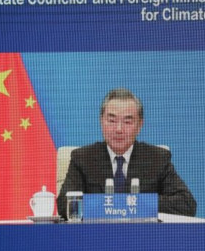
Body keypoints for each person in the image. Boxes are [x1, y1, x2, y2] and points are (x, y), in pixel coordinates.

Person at [56, 88, 197, 218]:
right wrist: (120, 205)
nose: (119, 129)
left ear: (139, 125)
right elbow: (65, 204)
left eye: (127, 122)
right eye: (112, 120)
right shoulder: (82, 158)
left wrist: (134, 204)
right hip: (96, 238)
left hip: (143, 239)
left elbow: (186, 204)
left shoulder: (157, 158)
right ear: (101, 122)